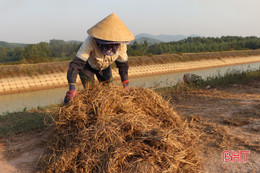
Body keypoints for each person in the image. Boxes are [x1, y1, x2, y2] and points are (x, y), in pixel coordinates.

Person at [64, 13, 135, 103]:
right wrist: (72, 88)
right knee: (92, 93)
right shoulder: (90, 41)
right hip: (87, 67)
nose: (111, 47)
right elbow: (76, 64)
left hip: (104, 67)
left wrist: (126, 85)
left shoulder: (121, 45)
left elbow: (123, 66)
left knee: (108, 91)